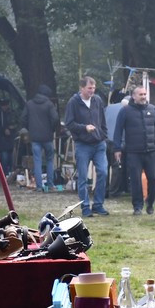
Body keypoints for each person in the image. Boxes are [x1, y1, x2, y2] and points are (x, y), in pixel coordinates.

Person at [113, 85, 155, 215]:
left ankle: (150, 202)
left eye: (144, 94)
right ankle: (137, 207)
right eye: (140, 94)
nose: (143, 97)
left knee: (154, 179)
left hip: (152, 152)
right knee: (135, 180)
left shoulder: (153, 110)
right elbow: (118, 130)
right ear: (134, 96)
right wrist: (117, 148)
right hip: (133, 152)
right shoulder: (125, 111)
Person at [64, 75, 110, 217]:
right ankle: (85, 207)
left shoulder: (97, 100)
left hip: (99, 143)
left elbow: (102, 120)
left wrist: (104, 136)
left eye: (94, 88)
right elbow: (69, 123)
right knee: (83, 177)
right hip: (82, 145)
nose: (92, 90)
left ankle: (98, 205)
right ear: (82, 88)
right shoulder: (73, 102)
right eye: (89, 88)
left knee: (103, 172)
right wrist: (84, 128)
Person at [21, 84, 59, 192]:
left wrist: (29, 128)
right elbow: (55, 118)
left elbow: (23, 118)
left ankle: (38, 186)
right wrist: (51, 129)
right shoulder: (49, 104)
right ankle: (51, 185)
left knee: (37, 161)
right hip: (47, 137)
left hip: (35, 137)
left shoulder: (29, 104)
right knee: (50, 160)